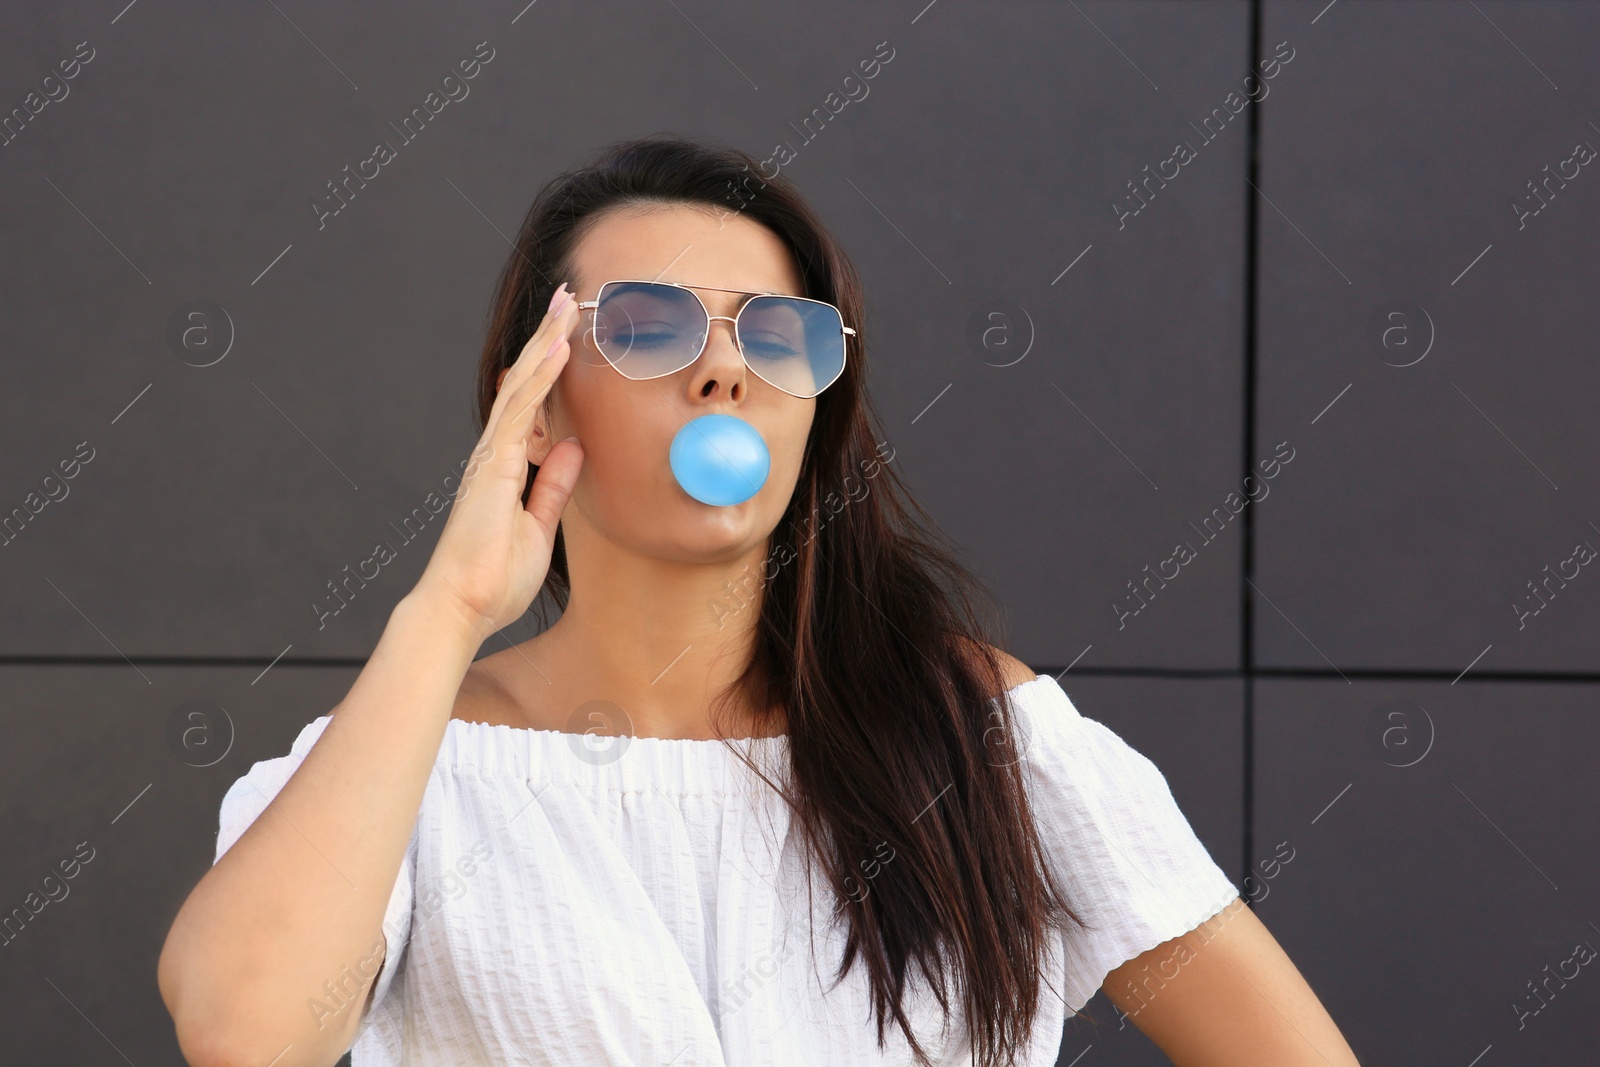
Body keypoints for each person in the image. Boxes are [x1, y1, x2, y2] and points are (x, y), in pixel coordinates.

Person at [157, 136, 1361, 1066]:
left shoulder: (980, 736)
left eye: (776, 334)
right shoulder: (407, 763)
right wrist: (449, 609)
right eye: (647, 326)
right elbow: (246, 1031)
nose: (725, 366)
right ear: (540, 395)